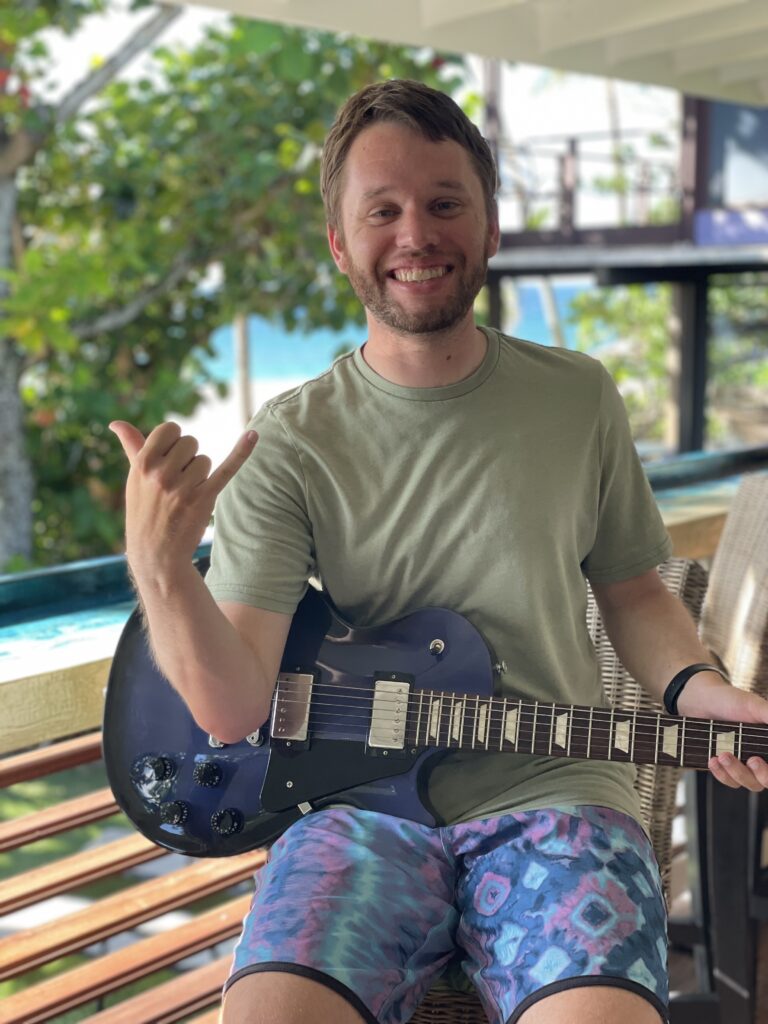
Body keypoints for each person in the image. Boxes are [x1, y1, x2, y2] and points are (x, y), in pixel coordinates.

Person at [110, 79, 768, 1024]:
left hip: (560, 791)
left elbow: (632, 591)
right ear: (340, 245)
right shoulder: (286, 442)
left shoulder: (579, 396)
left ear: (491, 227)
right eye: (382, 210)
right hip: (352, 811)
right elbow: (234, 705)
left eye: (445, 203)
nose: (416, 233)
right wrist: (163, 568)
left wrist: (700, 690)